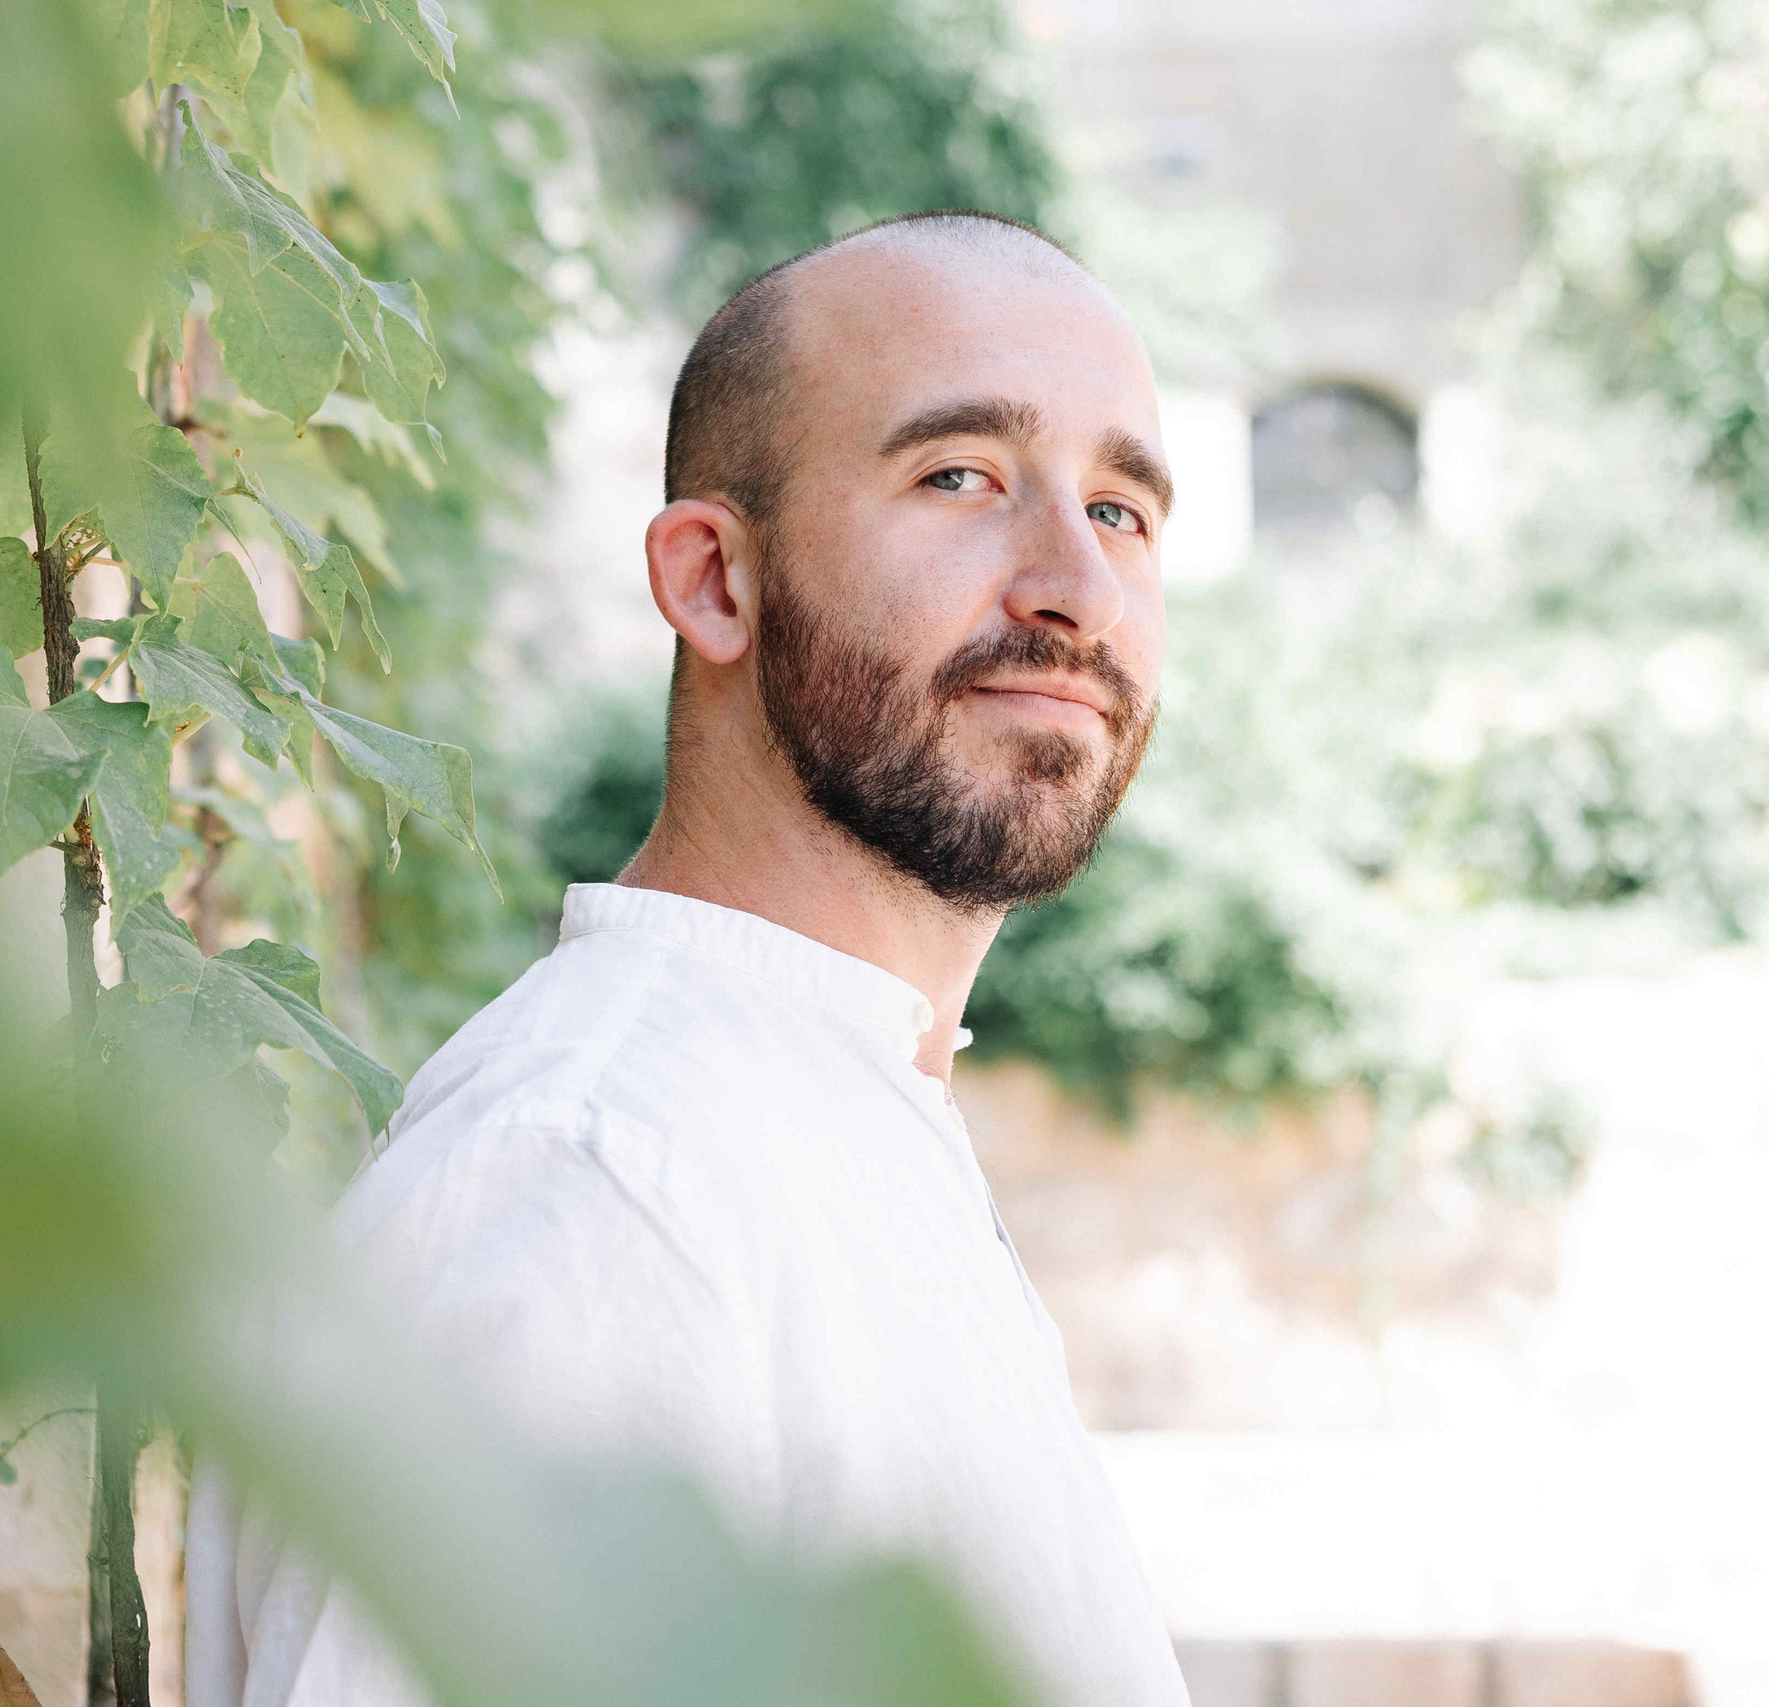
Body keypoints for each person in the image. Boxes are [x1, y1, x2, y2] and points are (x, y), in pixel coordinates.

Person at [189, 208, 1186, 1707]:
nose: (1075, 588)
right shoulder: (602, 1181)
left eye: (1121, 510)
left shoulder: (824, 1115)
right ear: (713, 580)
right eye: (961, 476)